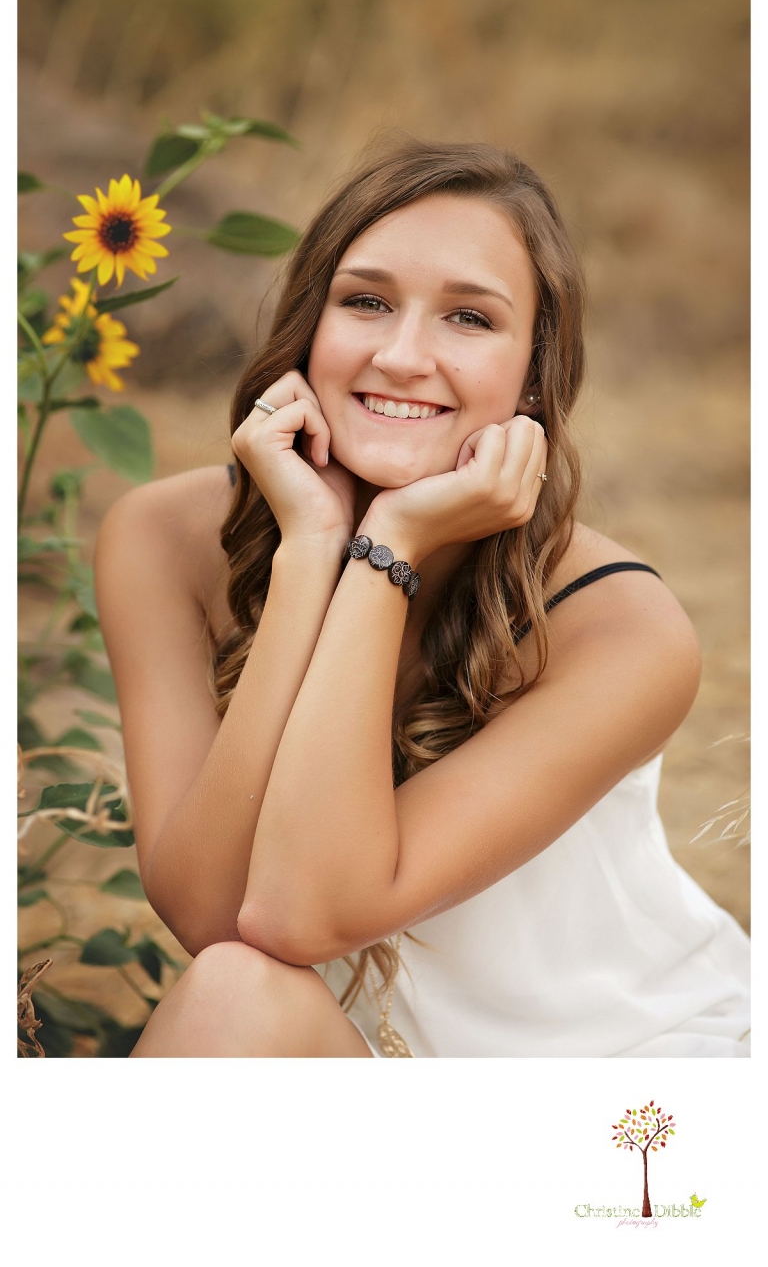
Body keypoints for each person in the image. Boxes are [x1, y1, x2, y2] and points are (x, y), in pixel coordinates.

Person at [96, 139, 750, 1058]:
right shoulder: (161, 539)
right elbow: (217, 920)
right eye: (365, 301)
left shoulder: (624, 628)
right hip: (353, 1061)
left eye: (469, 319)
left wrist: (388, 551)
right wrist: (307, 557)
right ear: (306, 329)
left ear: (534, 370)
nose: (402, 356)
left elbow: (303, 915)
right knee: (232, 993)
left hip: (613, 1088)